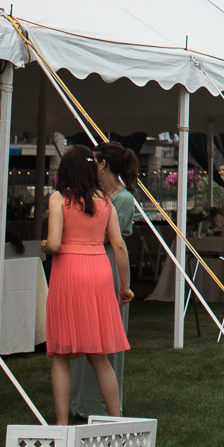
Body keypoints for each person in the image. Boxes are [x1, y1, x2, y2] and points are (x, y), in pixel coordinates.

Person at [42, 145, 132, 424]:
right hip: (99, 272)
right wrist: (125, 286)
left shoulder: (58, 198)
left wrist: (45, 245)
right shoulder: (106, 200)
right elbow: (119, 246)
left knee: (61, 355)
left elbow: (55, 243)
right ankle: (116, 420)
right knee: (100, 355)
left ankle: (61, 424)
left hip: (69, 272)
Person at [70, 141, 140, 416]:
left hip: (108, 265)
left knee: (105, 337)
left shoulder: (122, 199)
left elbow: (110, 238)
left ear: (103, 164)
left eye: (92, 162)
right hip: (88, 263)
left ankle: (100, 405)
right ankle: (79, 401)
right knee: (84, 334)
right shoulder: (93, 194)